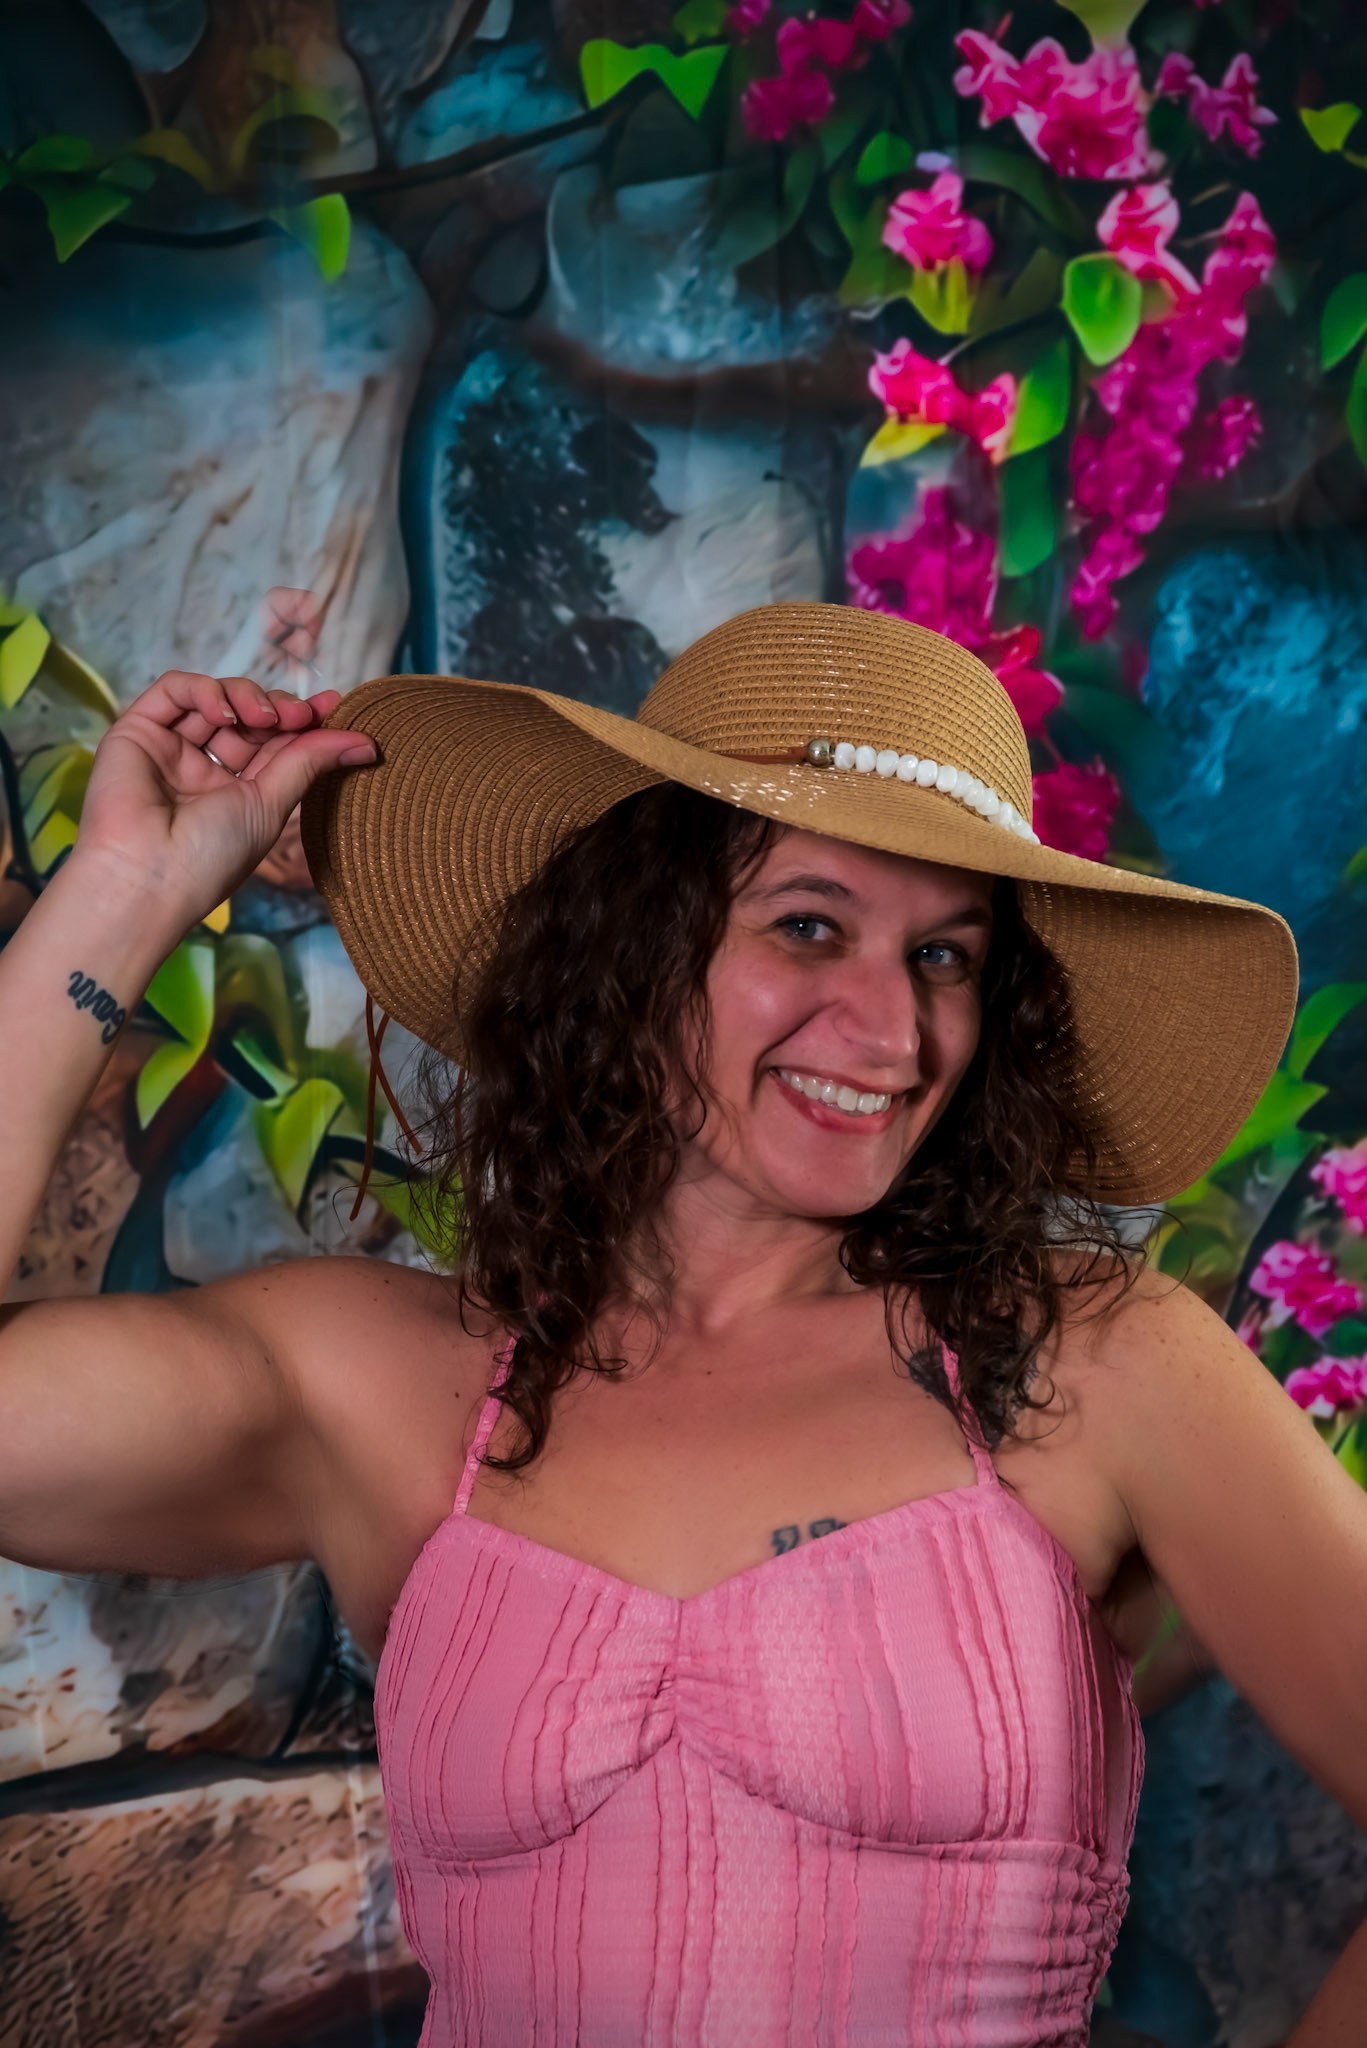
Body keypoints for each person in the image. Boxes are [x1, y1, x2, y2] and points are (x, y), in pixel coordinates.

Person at [1, 601, 1365, 2046]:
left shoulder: (1090, 1363)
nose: (894, 1033)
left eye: (945, 958)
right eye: (809, 926)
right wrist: (128, 890)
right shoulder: (389, 1388)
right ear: (634, 939)